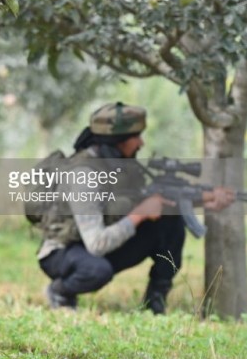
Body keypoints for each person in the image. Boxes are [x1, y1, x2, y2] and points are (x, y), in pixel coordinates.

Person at [36, 102, 235, 314]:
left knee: (170, 220)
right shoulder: (85, 176)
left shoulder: (119, 163)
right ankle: (61, 291)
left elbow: (155, 198)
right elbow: (97, 244)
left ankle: (154, 301)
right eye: (135, 136)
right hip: (63, 251)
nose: (141, 142)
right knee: (97, 270)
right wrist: (140, 214)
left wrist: (205, 198)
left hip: (94, 244)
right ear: (116, 140)